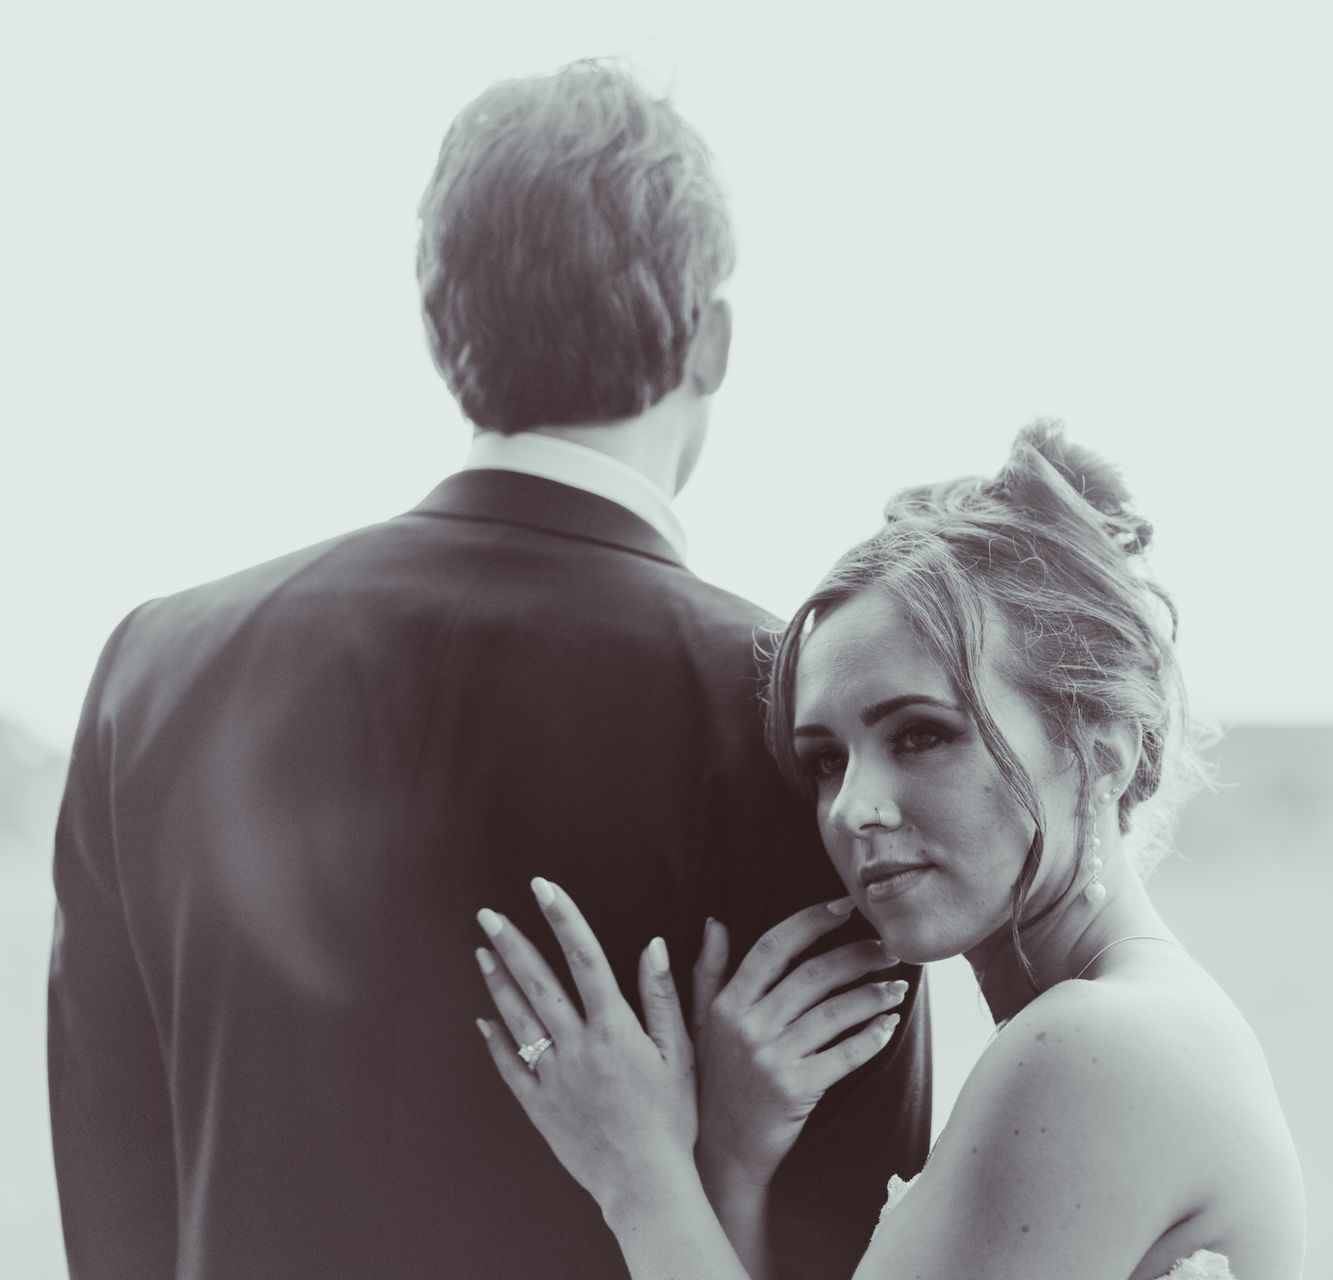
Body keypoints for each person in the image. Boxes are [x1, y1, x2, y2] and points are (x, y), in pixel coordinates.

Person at [47, 59, 928, 1280]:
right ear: (713, 338)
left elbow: (115, 1189)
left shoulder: (154, 668)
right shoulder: (798, 714)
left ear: (435, 323)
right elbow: (861, 1236)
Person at [471, 423, 1308, 1279]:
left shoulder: (1095, 1049)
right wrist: (731, 1160)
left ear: (1100, 749)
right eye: (826, 760)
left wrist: (637, 1172)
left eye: (920, 736)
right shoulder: (1131, 1026)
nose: (853, 810)